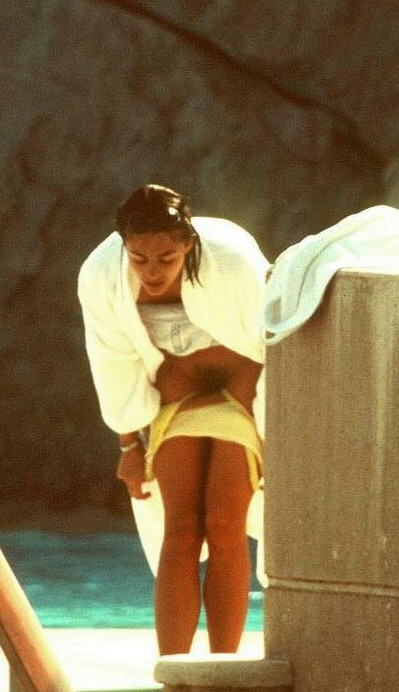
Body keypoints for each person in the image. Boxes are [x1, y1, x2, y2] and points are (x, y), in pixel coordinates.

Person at [77, 184, 268, 655]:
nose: (152, 271)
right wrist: (128, 445)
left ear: (188, 243)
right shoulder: (102, 275)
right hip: (177, 390)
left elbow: (275, 340)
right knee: (180, 527)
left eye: (166, 258)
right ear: (124, 246)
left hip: (244, 386)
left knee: (224, 522)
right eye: (139, 258)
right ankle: (174, 671)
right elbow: (112, 362)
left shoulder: (231, 260)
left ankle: (223, 670)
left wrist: (277, 429)